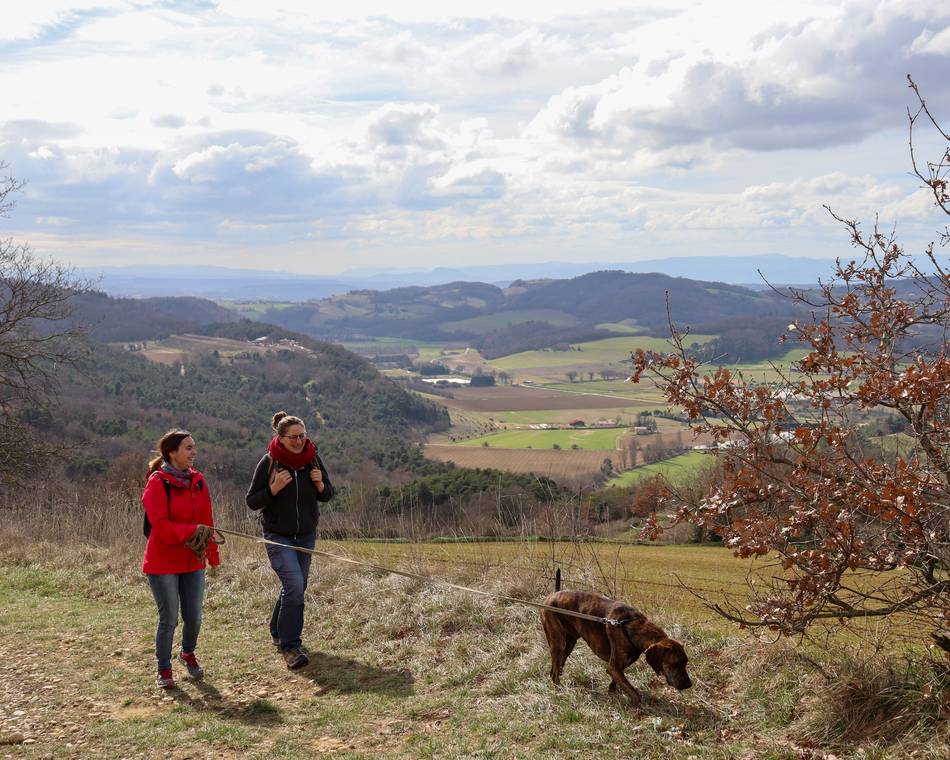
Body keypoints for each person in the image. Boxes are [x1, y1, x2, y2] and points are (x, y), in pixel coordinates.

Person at [246, 411, 334, 669]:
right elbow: (252, 501)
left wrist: (319, 485)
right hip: (277, 535)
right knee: (294, 585)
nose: (299, 442)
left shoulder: (312, 459)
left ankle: (276, 628)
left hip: (306, 535)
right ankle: (291, 646)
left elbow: (328, 494)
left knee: (298, 586)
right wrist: (273, 489)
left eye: (302, 436)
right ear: (280, 438)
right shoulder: (270, 462)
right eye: (293, 437)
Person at [142, 430, 220, 689]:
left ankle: (187, 653)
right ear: (172, 452)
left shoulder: (198, 480)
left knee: (194, 616)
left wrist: (212, 554)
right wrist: (192, 531)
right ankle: (163, 668)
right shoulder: (157, 483)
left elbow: (206, 519)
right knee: (169, 618)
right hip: (163, 561)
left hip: (192, 559)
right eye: (188, 448)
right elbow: (161, 527)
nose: (193, 452)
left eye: (194, 447)